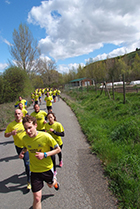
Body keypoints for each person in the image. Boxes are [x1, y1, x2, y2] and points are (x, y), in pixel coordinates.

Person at [19, 115, 61, 209]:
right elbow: (26, 147)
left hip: (46, 168)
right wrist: (22, 152)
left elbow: (58, 149)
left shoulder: (46, 136)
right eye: (25, 129)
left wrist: (45, 154)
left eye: (29, 128)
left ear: (35, 125)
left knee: (50, 185)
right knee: (37, 198)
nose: (28, 131)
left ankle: (54, 181)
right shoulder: (25, 138)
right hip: (34, 170)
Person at [4, 109, 31, 189]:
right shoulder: (11, 125)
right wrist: (11, 133)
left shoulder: (25, 122)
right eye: (16, 114)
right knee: (26, 161)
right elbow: (5, 134)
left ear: (22, 114)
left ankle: (29, 181)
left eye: (19, 113)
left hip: (28, 146)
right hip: (19, 147)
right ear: (14, 115)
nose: (17, 115)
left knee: (27, 163)